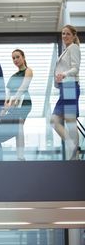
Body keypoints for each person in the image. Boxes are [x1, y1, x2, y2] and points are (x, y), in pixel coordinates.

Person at [51, 25, 81, 160]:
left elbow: (75, 68)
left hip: (70, 86)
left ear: (74, 35)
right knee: (54, 121)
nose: (64, 36)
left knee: (70, 121)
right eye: (63, 34)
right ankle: (73, 147)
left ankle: (75, 155)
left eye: (68, 34)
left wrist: (63, 74)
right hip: (65, 88)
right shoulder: (66, 50)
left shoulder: (73, 47)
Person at [2, 49, 33, 161]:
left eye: (17, 57)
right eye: (13, 58)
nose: (15, 60)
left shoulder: (28, 71)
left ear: (23, 57)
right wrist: (5, 107)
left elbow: (23, 88)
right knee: (16, 128)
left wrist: (11, 102)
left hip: (24, 102)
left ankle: (20, 156)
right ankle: (19, 155)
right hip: (13, 104)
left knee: (19, 125)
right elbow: (8, 93)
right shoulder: (13, 76)